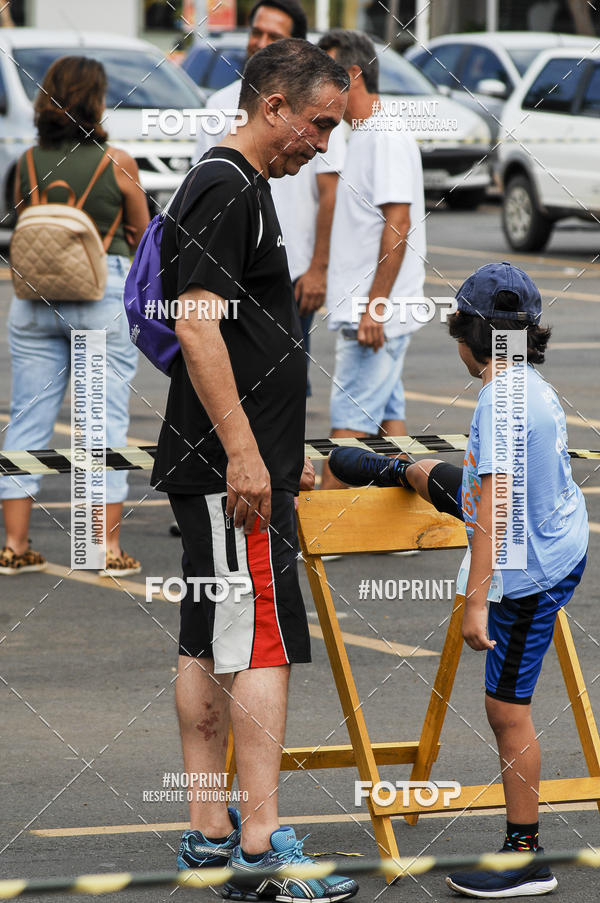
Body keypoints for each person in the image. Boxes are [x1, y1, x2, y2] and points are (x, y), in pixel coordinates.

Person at [151, 39, 358, 901]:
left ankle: (209, 831)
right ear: (273, 106)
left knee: (209, 638)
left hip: (232, 464)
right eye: (319, 124)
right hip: (230, 473)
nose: (324, 143)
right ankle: (261, 846)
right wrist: (245, 452)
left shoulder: (240, 185)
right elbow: (196, 324)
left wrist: (276, 449)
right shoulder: (228, 185)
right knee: (261, 639)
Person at [328, 262, 589, 898]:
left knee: (506, 709)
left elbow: (493, 513)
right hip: (552, 531)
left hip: (530, 569)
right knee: (430, 476)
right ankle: (399, 471)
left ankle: (525, 857)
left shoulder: (500, 401)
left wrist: (476, 602)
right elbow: (484, 487)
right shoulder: (528, 384)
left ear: (470, 335)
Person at [0, 56, 149, 577]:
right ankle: (102, 549)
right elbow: (142, 235)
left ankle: (14, 545)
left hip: (33, 298)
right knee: (101, 423)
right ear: (96, 101)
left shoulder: (26, 162)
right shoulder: (118, 162)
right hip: (99, 296)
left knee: (26, 417)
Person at [194, 0, 346, 393]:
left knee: (283, 375)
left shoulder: (319, 106)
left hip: (291, 272)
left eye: (273, 36)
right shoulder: (219, 111)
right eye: (256, 32)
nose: (260, 42)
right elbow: (196, 328)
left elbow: (330, 193)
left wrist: (318, 268)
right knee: (231, 374)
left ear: (295, 49)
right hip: (233, 275)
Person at [316, 29, 427, 490]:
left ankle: (320, 526)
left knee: (347, 435)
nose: (314, 85)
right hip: (372, 314)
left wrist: (375, 306)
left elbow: (398, 222)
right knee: (389, 429)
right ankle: (417, 518)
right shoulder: (363, 134)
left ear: (353, 75)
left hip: (372, 318)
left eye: (323, 74)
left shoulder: (383, 136)